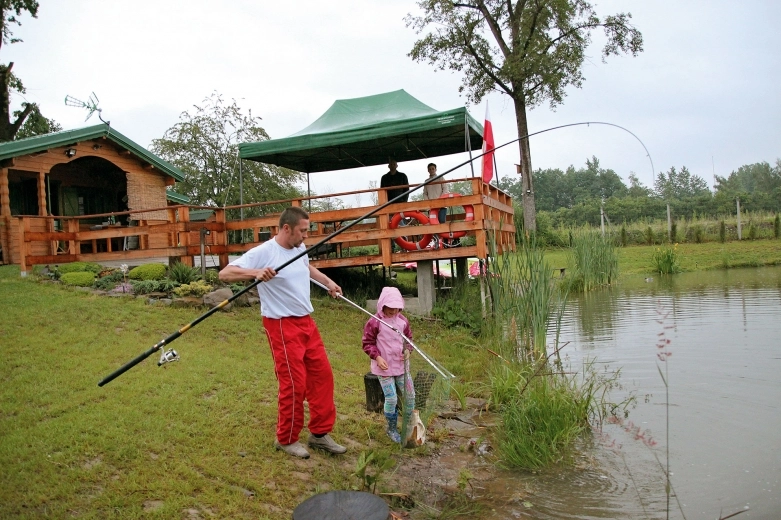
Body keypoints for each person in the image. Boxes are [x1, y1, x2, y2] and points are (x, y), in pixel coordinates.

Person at [219, 206, 346, 459]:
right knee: (294, 383)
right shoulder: (264, 252)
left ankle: (319, 434)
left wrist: (327, 282)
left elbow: (307, 269)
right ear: (286, 228)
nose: (306, 236)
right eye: (302, 230)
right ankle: (286, 439)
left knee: (322, 376)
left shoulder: (298, 248)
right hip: (281, 324)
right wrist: (255, 272)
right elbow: (225, 273)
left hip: (306, 322)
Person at [362, 287, 415, 443]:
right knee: (391, 399)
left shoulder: (403, 321)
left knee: (410, 396)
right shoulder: (374, 322)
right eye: (389, 309)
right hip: (383, 367)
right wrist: (377, 357)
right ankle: (391, 429)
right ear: (382, 305)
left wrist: (408, 350)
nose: (393, 312)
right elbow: (367, 343)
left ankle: (408, 425)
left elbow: (409, 340)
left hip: (401, 367)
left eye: (396, 309)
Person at [422, 162, 449, 226]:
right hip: (431, 206)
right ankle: (436, 236)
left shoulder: (441, 178)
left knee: (441, 222)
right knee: (433, 223)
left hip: (441, 205)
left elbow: (445, 189)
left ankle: (442, 236)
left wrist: (440, 199)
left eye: (433, 169)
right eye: (430, 169)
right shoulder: (426, 181)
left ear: (435, 169)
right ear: (428, 170)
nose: (431, 170)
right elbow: (425, 193)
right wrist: (428, 201)